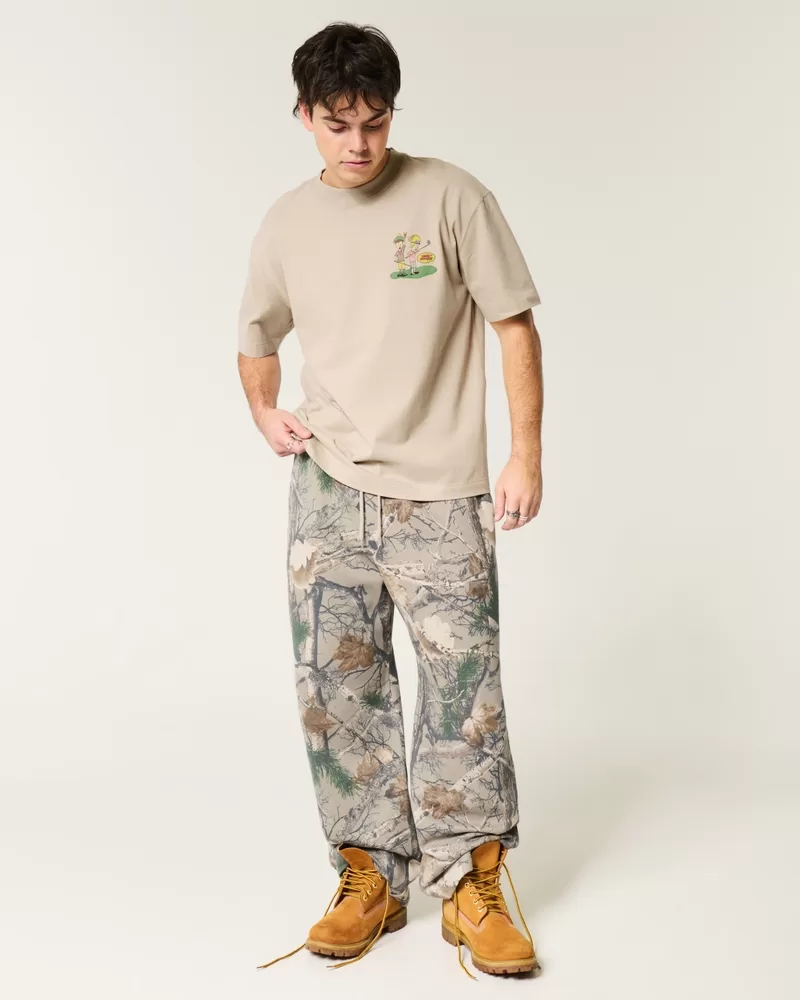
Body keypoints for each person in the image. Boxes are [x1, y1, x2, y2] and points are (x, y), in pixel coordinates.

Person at [237, 20, 544, 980]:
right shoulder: (287, 222)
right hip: (328, 493)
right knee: (337, 690)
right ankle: (369, 873)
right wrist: (264, 411)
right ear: (304, 116)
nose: (360, 143)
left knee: (464, 692)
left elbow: (514, 323)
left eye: (375, 121)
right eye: (339, 125)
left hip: (442, 495)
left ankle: (471, 883)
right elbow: (255, 334)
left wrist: (525, 454)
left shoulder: (452, 197)